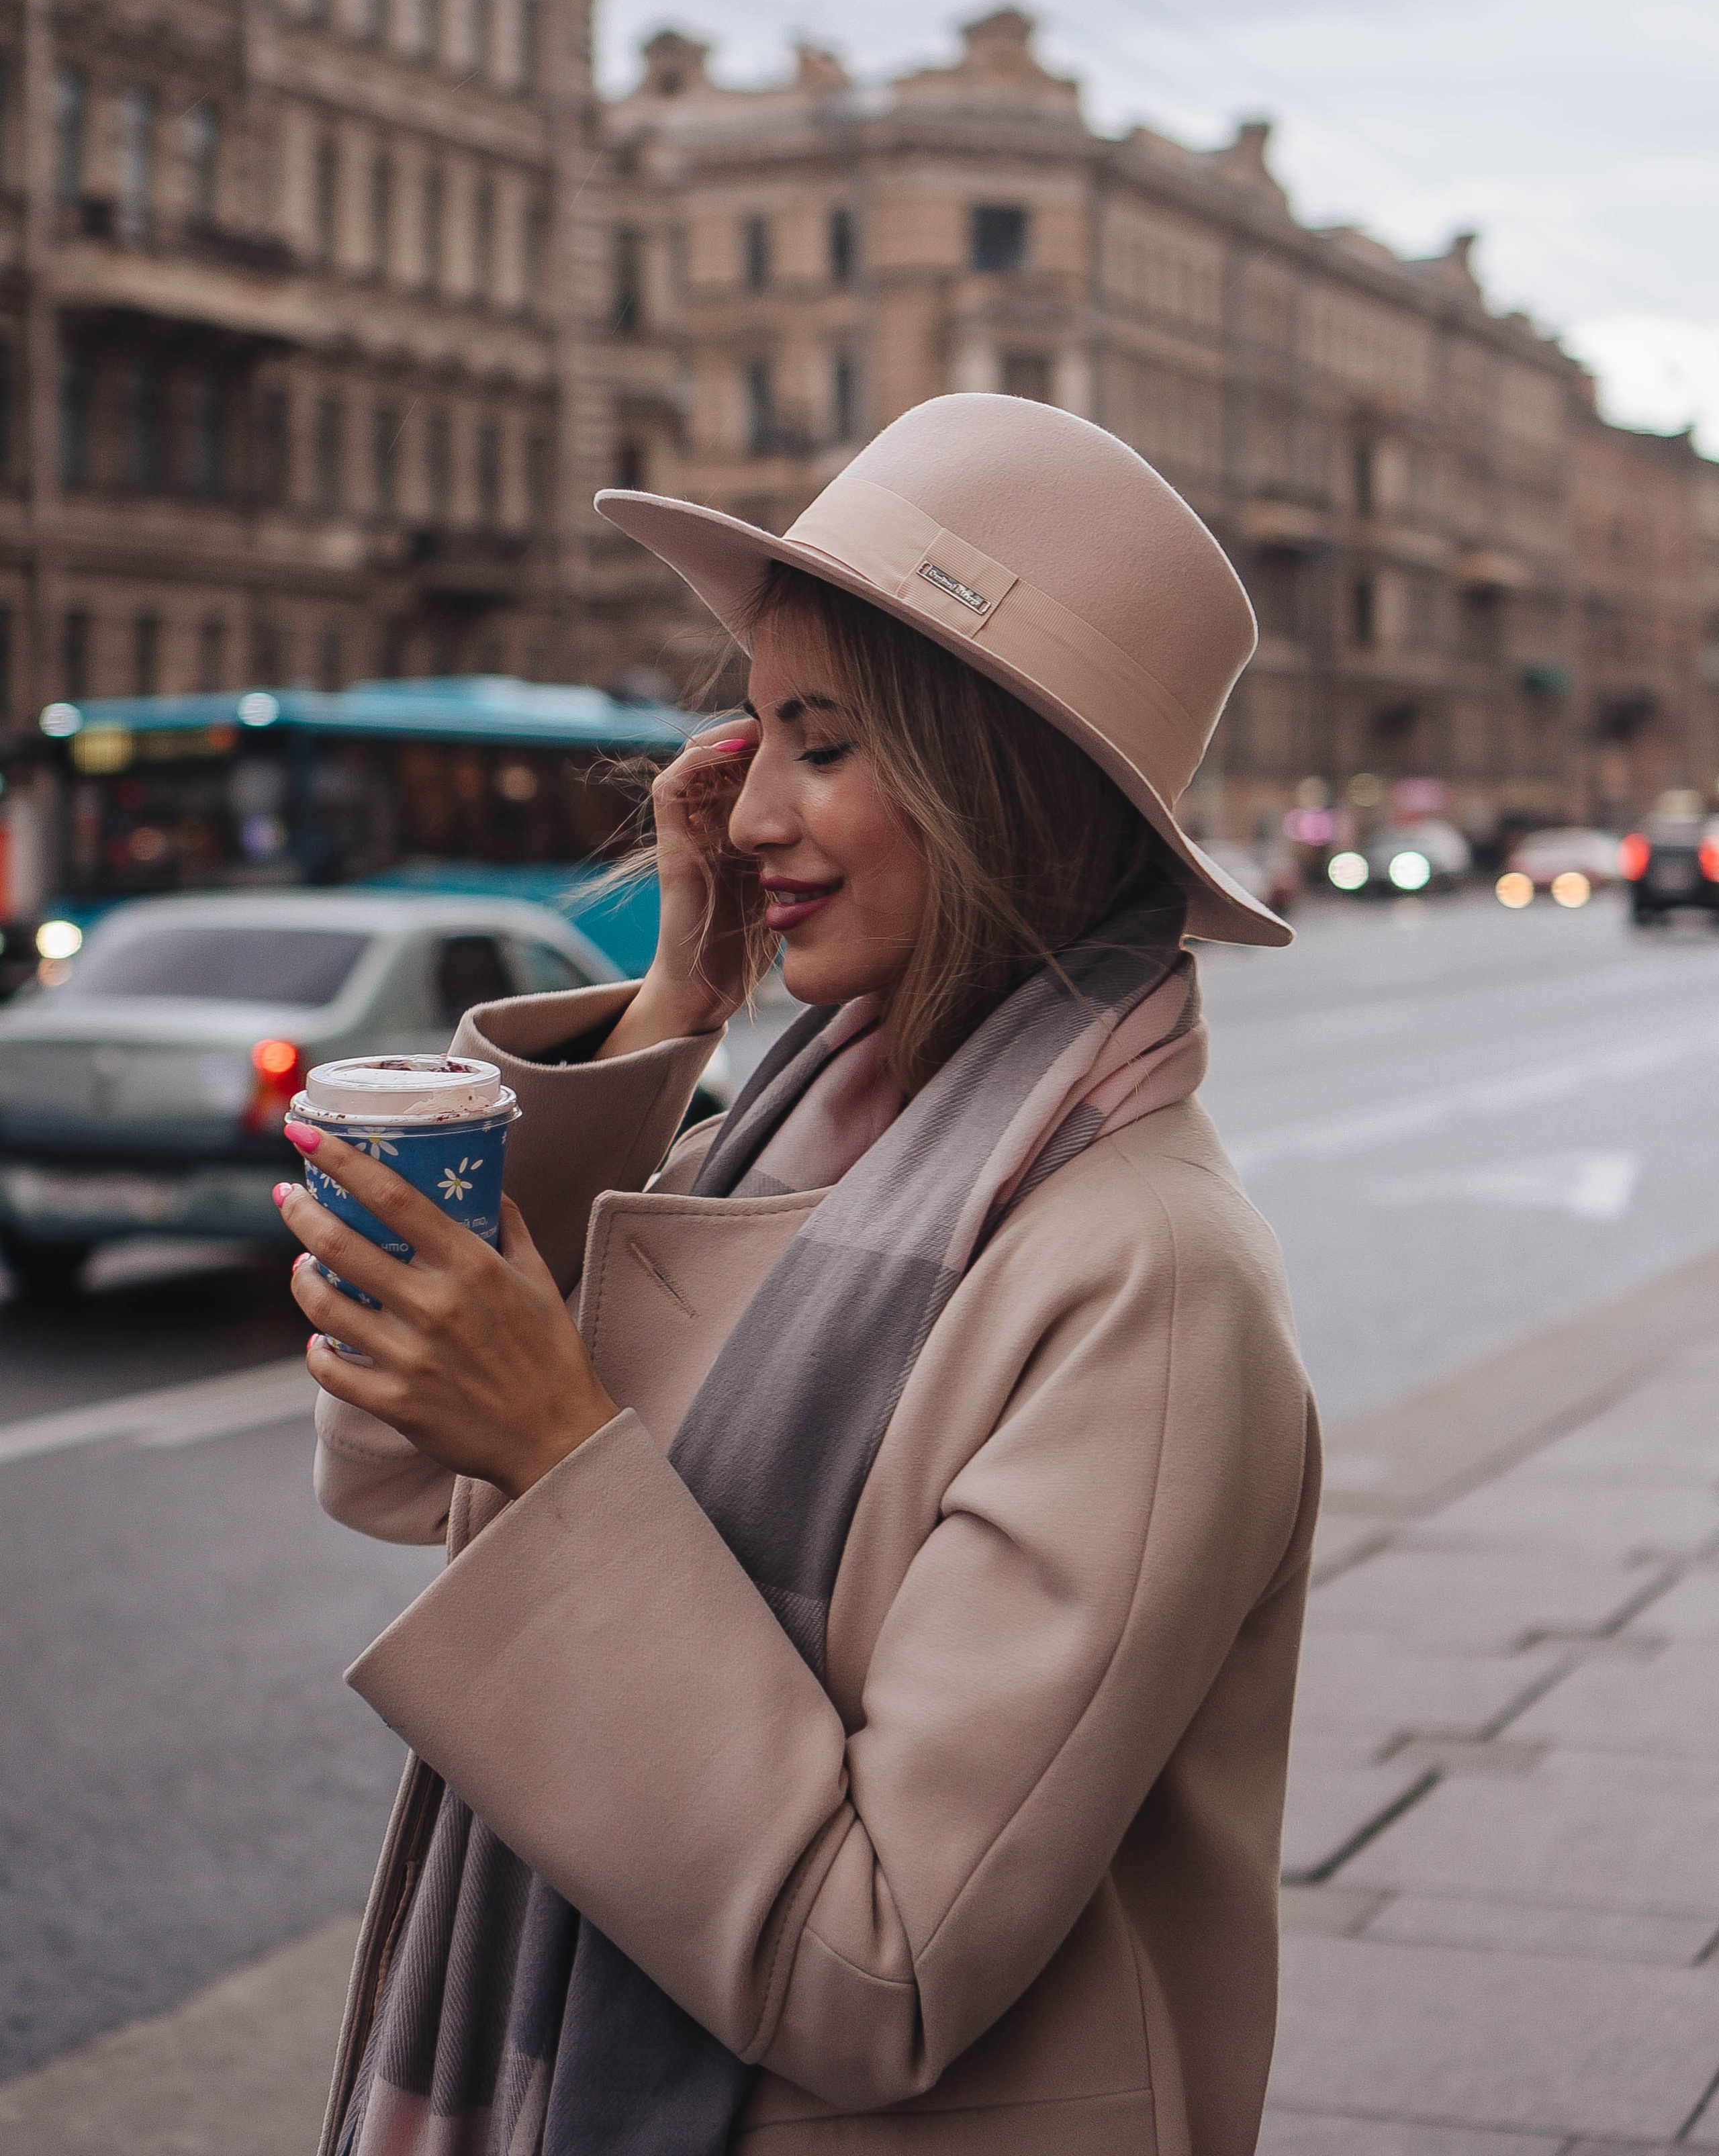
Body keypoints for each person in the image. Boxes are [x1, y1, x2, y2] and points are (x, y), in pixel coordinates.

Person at [285, 392, 1318, 2156]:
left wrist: (559, 1453)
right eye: (750, 733)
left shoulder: (1145, 1281)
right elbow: (394, 1476)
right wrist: (678, 1005)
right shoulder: (806, 1131)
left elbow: (880, 1970)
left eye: (824, 741)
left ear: (1010, 781)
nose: (749, 805)